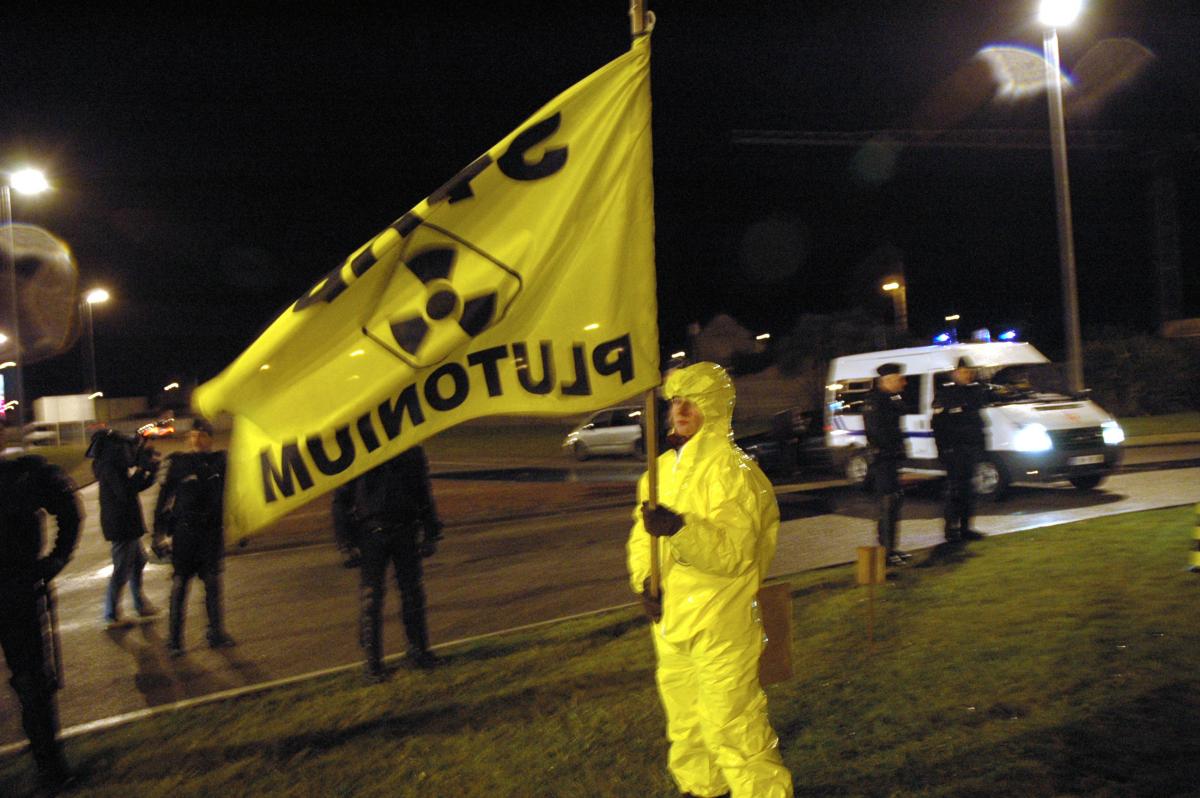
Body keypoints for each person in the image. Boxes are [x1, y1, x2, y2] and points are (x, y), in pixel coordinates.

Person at [627, 362, 793, 798]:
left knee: (733, 723)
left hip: (722, 618)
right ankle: (702, 788)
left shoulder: (734, 472)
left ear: (716, 407)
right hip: (672, 619)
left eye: (693, 401)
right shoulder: (659, 471)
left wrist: (680, 529)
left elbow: (734, 554)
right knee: (686, 721)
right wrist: (646, 582)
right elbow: (642, 540)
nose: (681, 410)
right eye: (676, 401)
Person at [0, 415, 82, 792]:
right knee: (32, 682)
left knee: (33, 683)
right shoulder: (25, 474)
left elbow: (69, 509)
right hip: (20, 590)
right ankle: (50, 768)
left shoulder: (25, 474)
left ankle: (51, 768)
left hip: (18, 589)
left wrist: (56, 559)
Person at [333, 446, 443, 681]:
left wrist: (431, 531)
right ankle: (373, 665)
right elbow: (341, 499)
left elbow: (423, 491)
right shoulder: (359, 448)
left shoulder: (410, 450)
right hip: (371, 534)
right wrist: (345, 543)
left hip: (404, 530)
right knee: (372, 599)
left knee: (412, 595)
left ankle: (418, 652)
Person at [152, 417, 235, 656]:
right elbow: (162, 502)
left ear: (210, 439)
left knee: (213, 585)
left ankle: (216, 633)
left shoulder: (221, 462)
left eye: (202, 435)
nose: (197, 439)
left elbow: (235, 493)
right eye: (193, 435)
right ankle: (175, 640)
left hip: (211, 534)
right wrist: (157, 535)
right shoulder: (177, 463)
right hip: (185, 534)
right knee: (180, 586)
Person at [89, 427, 160, 627]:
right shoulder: (108, 467)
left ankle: (140, 604)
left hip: (128, 523)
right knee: (122, 569)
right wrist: (142, 470)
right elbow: (125, 492)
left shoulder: (114, 466)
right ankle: (111, 614)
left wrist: (151, 472)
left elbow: (134, 488)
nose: (128, 452)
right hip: (121, 526)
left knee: (139, 562)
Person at [932, 357, 988, 542]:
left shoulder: (975, 392)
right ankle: (951, 530)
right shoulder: (946, 393)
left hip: (970, 448)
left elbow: (978, 423)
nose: (968, 375)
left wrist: (981, 447)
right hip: (954, 450)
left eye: (970, 372)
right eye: (964, 372)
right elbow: (938, 425)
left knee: (969, 491)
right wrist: (943, 450)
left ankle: (966, 528)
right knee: (955, 491)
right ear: (955, 373)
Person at [863, 362, 910, 566]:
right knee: (888, 504)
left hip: (891, 459)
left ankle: (892, 548)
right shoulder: (875, 401)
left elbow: (902, 413)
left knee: (895, 503)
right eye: (899, 379)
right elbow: (878, 432)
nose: (904, 383)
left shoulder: (891, 398)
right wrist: (892, 449)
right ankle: (886, 552)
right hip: (882, 460)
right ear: (888, 380)